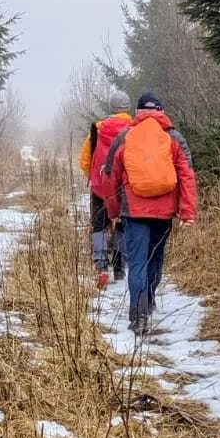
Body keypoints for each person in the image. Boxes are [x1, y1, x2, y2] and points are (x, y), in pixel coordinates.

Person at [102, 92, 197, 336]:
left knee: (137, 263)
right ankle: (150, 301)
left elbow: (111, 177)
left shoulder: (124, 137)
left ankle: (138, 314)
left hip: (133, 212)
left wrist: (113, 211)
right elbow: (186, 174)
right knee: (155, 258)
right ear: (161, 111)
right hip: (164, 213)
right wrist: (187, 211)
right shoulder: (174, 137)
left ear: (137, 113)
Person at [79, 106, 130, 288]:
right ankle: (119, 266)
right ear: (126, 108)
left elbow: (84, 160)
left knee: (99, 224)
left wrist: (94, 178)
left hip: (99, 186)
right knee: (122, 223)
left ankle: (101, 265)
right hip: (123, 186)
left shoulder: (98, 128)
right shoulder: (132, 128)